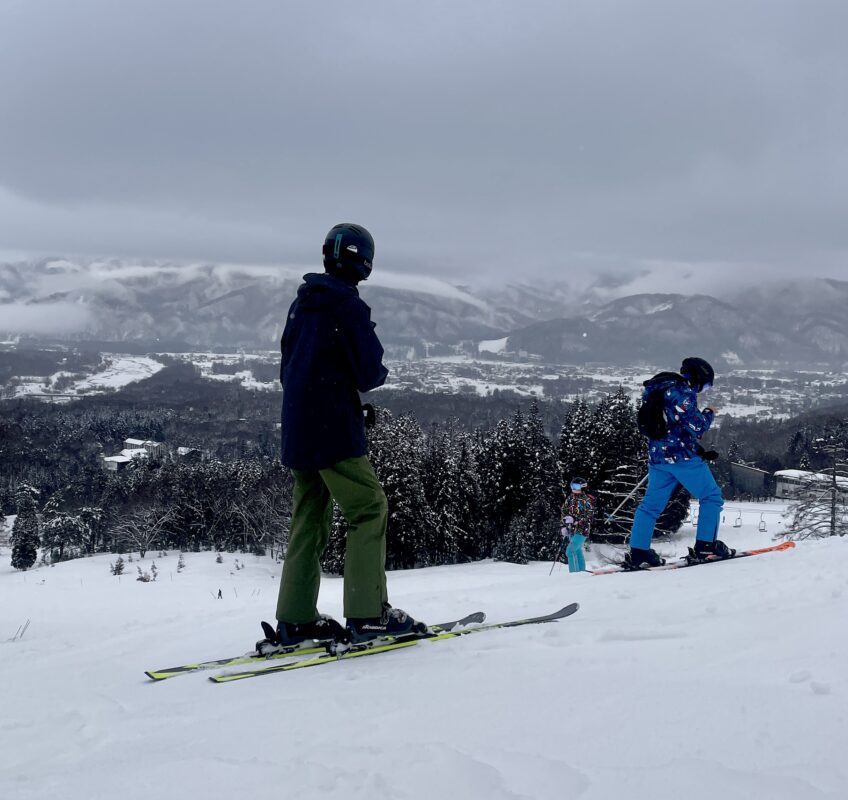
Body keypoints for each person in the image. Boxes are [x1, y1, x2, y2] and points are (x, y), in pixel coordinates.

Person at [273, 223, 426, 646]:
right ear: (365, 262)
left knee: (310, 515)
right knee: (369, 508)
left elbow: (288, 364)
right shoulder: (347, 306)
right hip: (332, 430)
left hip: (299, 428)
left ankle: (296, 619)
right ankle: (368, 614)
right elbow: (370, 371)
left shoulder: (302, 303)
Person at [627, 357, 734, 569]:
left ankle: (639, 552)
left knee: (650, 507)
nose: (703, 389)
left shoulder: (656, 389)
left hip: (658, 457)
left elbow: (671, 427)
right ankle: (706, 547)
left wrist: (699, 451)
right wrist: (709, 412)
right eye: (705, 385)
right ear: (698, 378)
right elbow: (697, 427)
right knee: (711, 497)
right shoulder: (682, 392)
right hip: (681, 458)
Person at [561, 477, 594, 572]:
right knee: (577, 551)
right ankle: (581, 573)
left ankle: (574, 574)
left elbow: (590, 515)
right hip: (571, 530)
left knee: (570, 551)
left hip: (582, 530)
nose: (573, 488)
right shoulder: (570, 498)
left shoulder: (587, 499)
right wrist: (564, 524)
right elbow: (564, 510)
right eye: (572, 486)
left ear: (583, 487)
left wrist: (576, 520)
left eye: (576, 486)